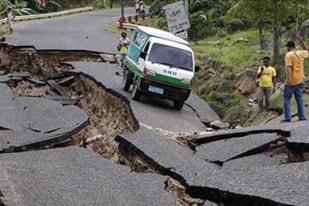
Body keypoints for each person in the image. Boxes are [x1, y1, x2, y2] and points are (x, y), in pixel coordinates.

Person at [282, 35, 309, 122]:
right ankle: (302, 116)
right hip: (300, 80)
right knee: (300, 99)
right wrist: (302, 41)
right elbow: (307, 51)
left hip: (292, 81)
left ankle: (288, 117)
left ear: (289, 47)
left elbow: (289, 67)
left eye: (287, 47)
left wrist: (289, 80)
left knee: (286, 99)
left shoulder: (288, 55)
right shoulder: (301, 53)